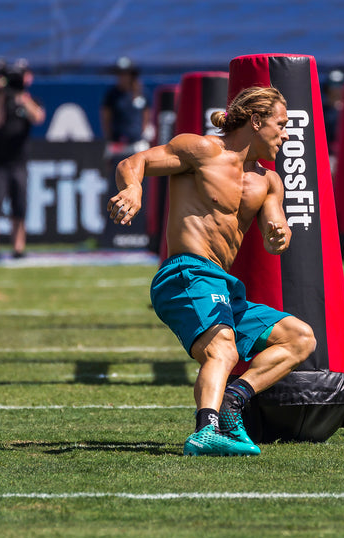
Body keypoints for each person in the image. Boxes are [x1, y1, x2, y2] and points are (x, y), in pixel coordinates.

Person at [107, 86, 316, 456]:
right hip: (186, 272)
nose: (286, 135)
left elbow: (275, 230)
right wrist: (134, 190)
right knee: (223, 348)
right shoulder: (202, 150)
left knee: (300, 338)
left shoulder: (268, 182)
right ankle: (206, 430)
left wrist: (277, 234)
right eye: (281, 125)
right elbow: (132, 163)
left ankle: (234, 402)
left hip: (223, 285)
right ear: (256, 121)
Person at [0, 58, 45, 260]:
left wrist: (23, 98)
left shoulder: (29, 99)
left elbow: (38, 118)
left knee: (19, 206)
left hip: (18, 161)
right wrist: (1, 96)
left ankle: (18, 248)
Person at [100, 56, 153, 247]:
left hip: (137, 147)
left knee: (140, 187)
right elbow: (106, 119)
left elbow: (146, 117)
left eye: (125, 74)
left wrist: (144, 135)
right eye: (119, 74)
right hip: (118, 147)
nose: (122, 78)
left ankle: (140, 231)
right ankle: (114, 232)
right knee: (117, 186)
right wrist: (110, 142)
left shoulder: (141, 94)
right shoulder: (112, 95)